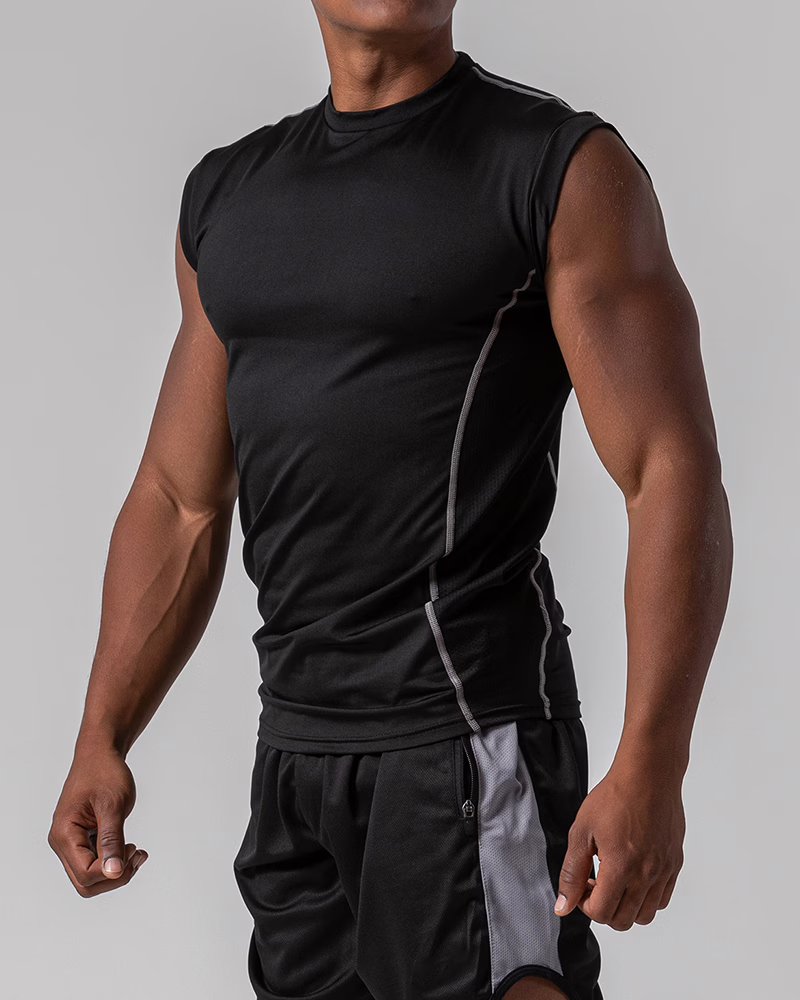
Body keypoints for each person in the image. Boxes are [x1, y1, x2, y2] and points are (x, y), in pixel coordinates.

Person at [47, 2, 733, 998]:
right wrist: (101, 733)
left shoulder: (555, 168)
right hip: (295, 754)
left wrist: (653, 762)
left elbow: (668, 470)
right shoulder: (230, 196)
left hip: (466, 741)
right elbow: (178, 497)